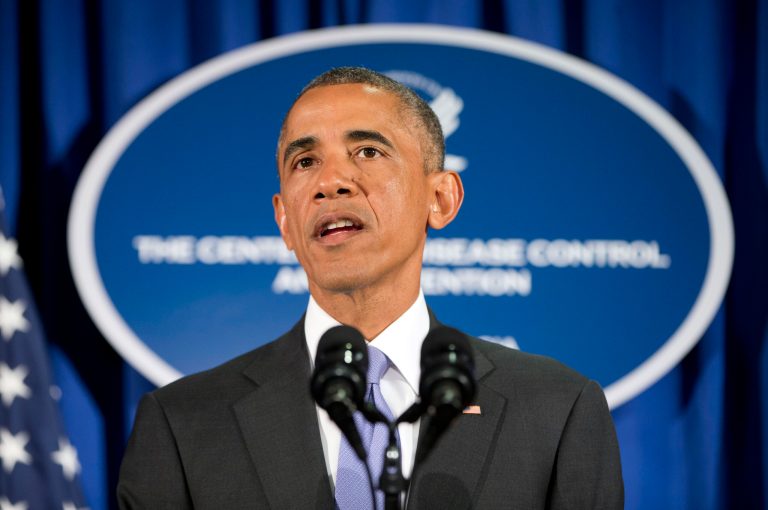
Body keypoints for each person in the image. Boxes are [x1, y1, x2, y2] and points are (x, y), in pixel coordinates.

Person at [117, 67, 624, 509]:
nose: (331, 181)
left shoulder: (556, 409)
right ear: (285, 221)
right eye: (305, 162)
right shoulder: (183, 424)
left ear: (441, 199)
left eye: (367, 150)